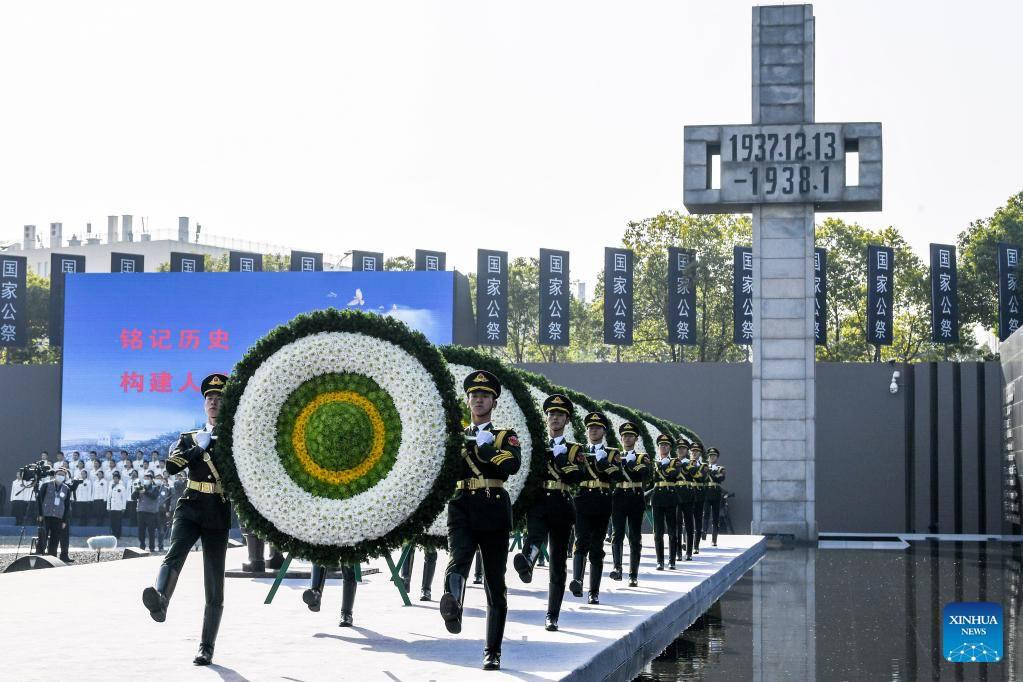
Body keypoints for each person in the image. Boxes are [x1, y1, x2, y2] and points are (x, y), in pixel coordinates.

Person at [142, 373, 232, 666]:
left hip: (217, 509)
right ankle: (160, 599)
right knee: (174, 553)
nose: (214, 402)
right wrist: (199, 447)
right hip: (190, 505)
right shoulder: (189, 437)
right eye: (209, 398)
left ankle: (206, 646)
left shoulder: (235, 438)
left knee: (214, 580)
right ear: (204, 404)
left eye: (219, 397)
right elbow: (171, 466)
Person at [439, 370, 521, 671]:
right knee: (458, 558)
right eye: (474, 395)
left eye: (485, 395)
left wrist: (485, 446)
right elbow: (445, 470)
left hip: (493, 508)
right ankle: (454, 606)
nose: (479, 399)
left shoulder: (504, 436)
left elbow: (510, 466)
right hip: (461, 505)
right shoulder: (457, 436)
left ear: (493, 402)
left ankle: (492, 651)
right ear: (468, 400)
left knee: (494, 584)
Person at [512, 393, 584, 631]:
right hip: (539, 501)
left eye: (559, 415)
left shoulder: (574, 450)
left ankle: (552, 614)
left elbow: (576, 476)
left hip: (562, 503)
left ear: (567, 420)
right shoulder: (537, 446)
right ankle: (527, 565)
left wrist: (561, 455)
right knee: (534, 536)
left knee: (558, 563)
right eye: (551, 414)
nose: (554, 418)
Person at [569, 411, 621, 605]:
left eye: (597, 428)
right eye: (590, 428)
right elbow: (573, 474)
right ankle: (577, 579)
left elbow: (617, 475)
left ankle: (594, 591)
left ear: (604, 431)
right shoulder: (579, 451)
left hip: (602, 500)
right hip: (582, 499)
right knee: (580, 540)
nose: (593, 430)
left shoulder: (612, 453)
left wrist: (603, 462)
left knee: (596, 547)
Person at [610, 421, 650, 587]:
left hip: (635, 496)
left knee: (634, 537)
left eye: (630, 436)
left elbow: (645, 473)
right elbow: (612, 475)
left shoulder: (643, 457)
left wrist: (630, 463)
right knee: (616, 534)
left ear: (636, 438)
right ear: (621, 438)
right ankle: (617, 568)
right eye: (625, 436)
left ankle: (633, 574)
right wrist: (625, 463)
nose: (627, 438)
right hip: (619, 496)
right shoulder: (614, 456)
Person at [651, 434, 679, 570]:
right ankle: (659, 561)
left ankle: (672, 560)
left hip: (670, 497)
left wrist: (663, 466)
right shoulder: (653, 463)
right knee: (658, 532)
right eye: (661, 445)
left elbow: (672, 475)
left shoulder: (675, 462)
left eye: (666, 445)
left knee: (672, 531)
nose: (663, 447)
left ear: (670, 447)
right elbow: (651, 480)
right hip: (657, 498)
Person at [36, 469, 71, 557]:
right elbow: (39, 500)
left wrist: (64, 520)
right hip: (45, 515)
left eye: (63, 475)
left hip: (58, 517)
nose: (60, 476)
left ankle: (52, 556)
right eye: (59, 474)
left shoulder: (66, 489)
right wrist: (40, 514)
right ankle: (40, 553)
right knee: (43, 535)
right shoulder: (46, 485)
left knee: (55, 538)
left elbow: (67, 506)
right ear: (55, 475)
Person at [703, 448, 726, 547]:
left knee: (715, 517)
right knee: (705, 514)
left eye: (714, 456)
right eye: (710, 456)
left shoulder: (721, 468)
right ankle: (703, 534)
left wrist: (709, 472)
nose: (712, 457)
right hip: (706, 492)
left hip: (716, 493)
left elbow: (719, 477)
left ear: (717, 457)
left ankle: (714, 539)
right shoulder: (704, 467)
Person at [135, 471, 161, 551]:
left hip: (151, 513)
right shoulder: (141, 487)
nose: (146, 480)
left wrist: (144, 492)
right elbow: (133, 497)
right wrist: (136, 490)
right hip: (141, 511)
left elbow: (154, 496)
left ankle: (152, 547)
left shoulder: (155, 488)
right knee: (141, 530)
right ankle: (142, 545)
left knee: (151, 531)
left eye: (148, 478)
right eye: (145, 478)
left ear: (151, 479)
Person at [107, 471, 129, 539]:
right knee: (112, 522)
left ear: (119, 479)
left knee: (118, 522)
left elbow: (124, 498)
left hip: (119, 507)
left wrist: (123, 507)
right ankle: (113, 534)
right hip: (112, 507)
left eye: (116, 478)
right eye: (114, 478)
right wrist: (108, 506)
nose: (115, 479)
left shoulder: (122, 487)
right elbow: (109, 497)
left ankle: (118, 535)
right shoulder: (111, 486)